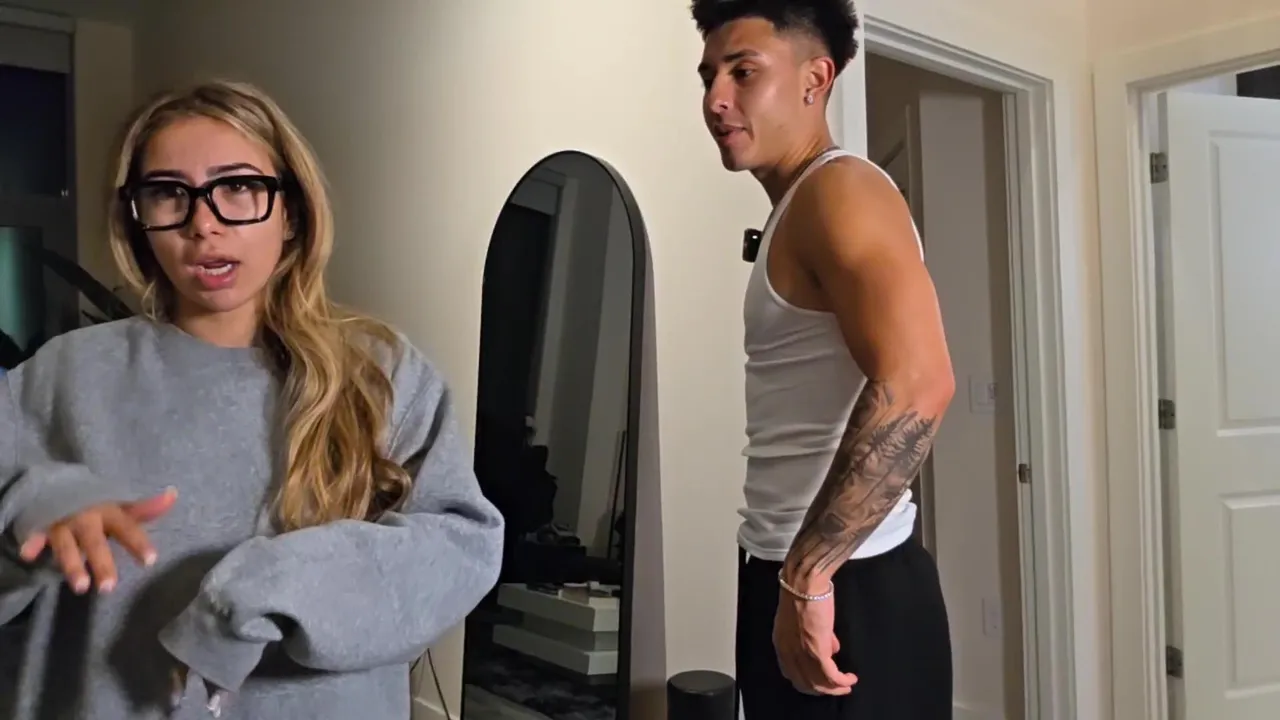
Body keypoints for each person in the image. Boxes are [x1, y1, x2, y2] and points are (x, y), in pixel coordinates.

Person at [0, 79, 504, 719]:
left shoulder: (380, 373)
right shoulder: (61, 375)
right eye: (168, 193)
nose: (203, 224)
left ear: (290, 212)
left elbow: (459, 547)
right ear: (138, 218)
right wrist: (28, 517)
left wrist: (264, 590)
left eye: (237, 186)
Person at [692, 1, 957, 717]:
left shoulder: (840, 191)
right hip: (789, 569)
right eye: (709, 76)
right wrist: (789, 576)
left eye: (744, 72)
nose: (716, 99)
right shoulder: (798, 205)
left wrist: (809, 576)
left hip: (847, 588)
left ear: (816, 78)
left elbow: (919, 383)